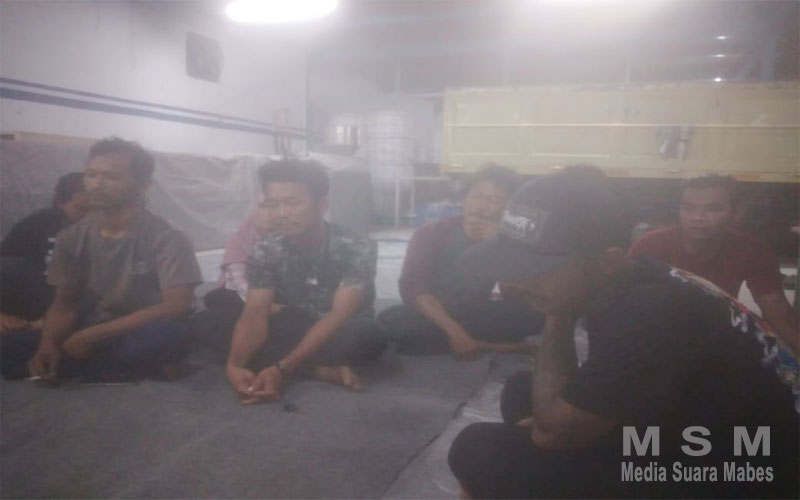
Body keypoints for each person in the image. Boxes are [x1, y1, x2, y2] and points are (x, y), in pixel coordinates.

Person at [447, 166, 798, 499]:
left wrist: (556, 315)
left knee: (479, 448)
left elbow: (551, 435)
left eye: (535, 268)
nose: (514, 282)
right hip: (702, 431)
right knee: (523, 390)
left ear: (609, 261)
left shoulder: (651, 313)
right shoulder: (635, 277)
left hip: (742, 472)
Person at [0, 137, 203, 382]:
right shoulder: (71, 237)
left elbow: (176, 305)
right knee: (9, 346)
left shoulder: (168, 237)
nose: (96, 184)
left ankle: (81, 368)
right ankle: (117, 369)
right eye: (91, 174)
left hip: (147, 325)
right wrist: (48, 344)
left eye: (111, 177)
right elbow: (65, 303)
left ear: (143, 185)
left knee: (160, 338)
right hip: (98, 320)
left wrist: (92, 336)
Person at [225, 159, 387, 404]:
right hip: (294, 322)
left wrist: (282, 368)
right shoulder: (267, 247)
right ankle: (319, 370)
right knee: (216, 319)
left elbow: (339, 315)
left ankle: (287, 363)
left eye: (293, 203)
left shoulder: (356, 246)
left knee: (367, 336)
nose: (282, 213)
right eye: (273, 204)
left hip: (340, 328)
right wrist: (234, 366)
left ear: (322, 205)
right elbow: (256, 311)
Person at [378, 165, 543, 358]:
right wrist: (455, 333)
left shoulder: (508, 238)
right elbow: (412, 287)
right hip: (433, 311)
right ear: (463, 199)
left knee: (535, 315)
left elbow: (517, 292)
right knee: (393, 323)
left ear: (508, 207)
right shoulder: (432, 232)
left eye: (494, 200)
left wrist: (500, 243)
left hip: (475, 311)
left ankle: (473, 344)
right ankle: (497, 346)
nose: (482, 205)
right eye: (476, 196)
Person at [629, 175, 799, 354]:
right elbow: (627, 307)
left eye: (713, 209)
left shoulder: (752, 250)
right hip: (655, 337)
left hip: (716, 338)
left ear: (736, 214)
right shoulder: (650, 246)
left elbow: (777, 312)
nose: (698, 217)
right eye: (688, 208)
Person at [0, 172, 90, 331]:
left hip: (75, 300)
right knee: (12, 266)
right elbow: (6, 265)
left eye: (95, 210)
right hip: (36, 292)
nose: (88, 217)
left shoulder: (103, 231)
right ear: (60, 203)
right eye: (80, 209)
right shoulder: (38, 223)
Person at [193, 204, 275, 355]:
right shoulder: (240, 238)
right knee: (214, 303)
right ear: (254, 210)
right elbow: (239, 281)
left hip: (276, 298)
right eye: (264, 206)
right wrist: (263, 304)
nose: (270, 213)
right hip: (243, 295)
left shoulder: (290, 238)